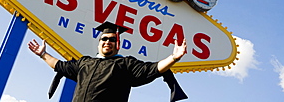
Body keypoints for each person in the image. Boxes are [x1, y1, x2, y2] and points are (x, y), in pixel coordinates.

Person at [28, 22, 188, 102]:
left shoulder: (125, 64)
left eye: (112, 39)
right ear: (99, 42)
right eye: (104, 38)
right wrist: (43, 54)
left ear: (117, 44)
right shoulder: (85, 63)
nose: (107, 41)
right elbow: (60, 66)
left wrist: (173, 58)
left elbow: (151, 69)